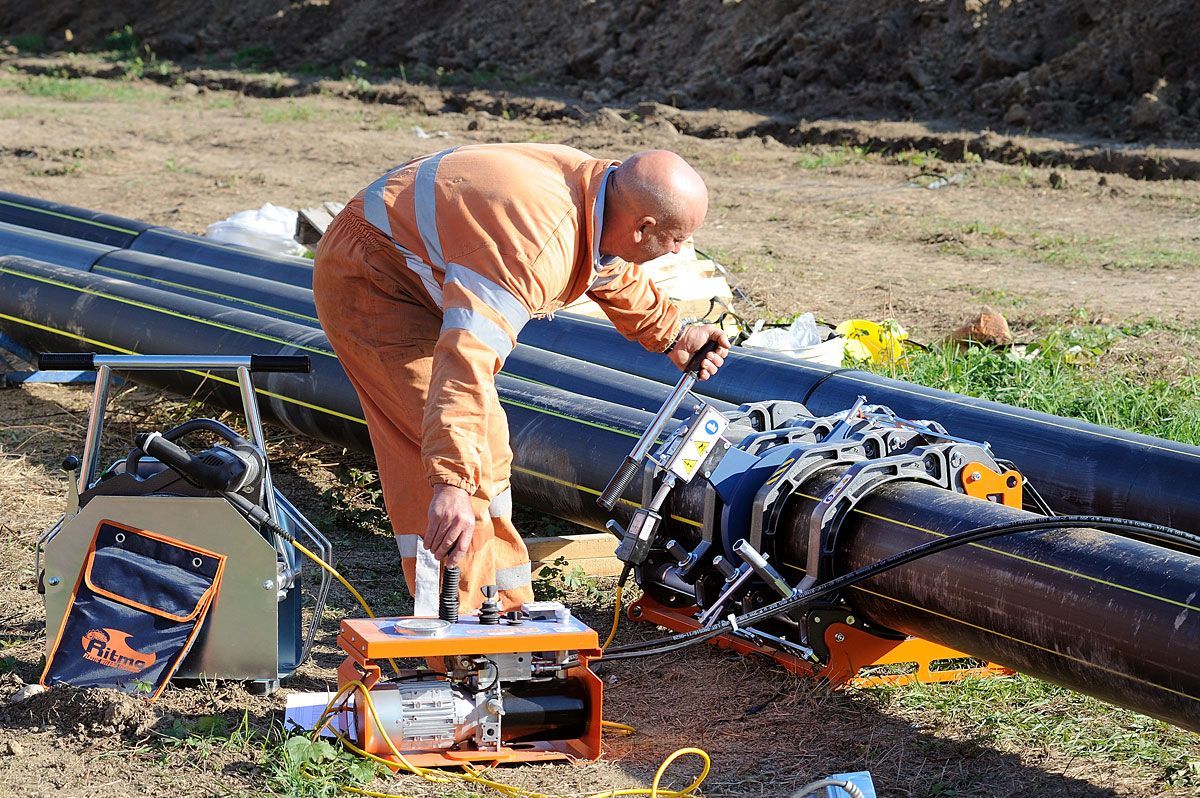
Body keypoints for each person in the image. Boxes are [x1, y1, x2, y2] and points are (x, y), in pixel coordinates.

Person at [313, 143, 729, 615]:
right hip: (371, 276)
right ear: (644, 227)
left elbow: (604, 266)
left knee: (488, 451)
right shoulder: (535, 242)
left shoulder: (599, 196)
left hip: (413, 262)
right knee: (451, 471)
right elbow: (466, 363)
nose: (678, 250)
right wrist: (450, 481)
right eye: (676, 238)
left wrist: (672, 332)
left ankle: (507, 613)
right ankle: (456, 636)